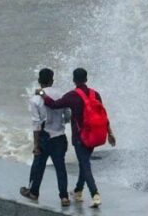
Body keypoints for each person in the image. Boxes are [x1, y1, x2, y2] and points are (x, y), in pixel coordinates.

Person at [41, 67, 116, 208]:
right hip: (94, 135)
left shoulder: (72, 96)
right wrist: (110, 133)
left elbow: (54, 105)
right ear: (86, 79)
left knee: (85, 165)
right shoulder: (96, 94)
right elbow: (103, 116)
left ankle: (95, 194)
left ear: (74, 80)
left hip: (80, 137)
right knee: (84, 162)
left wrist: (41, 93)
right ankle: (78, 191)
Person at [20, 68, 71, 206]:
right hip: (59, 136)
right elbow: (67, 115)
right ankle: (64, 197)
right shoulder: (61, 95)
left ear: (39, 81)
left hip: (44, 136)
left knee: (38, 165)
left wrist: (36, 144)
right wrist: (61, 123)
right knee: (60, 167)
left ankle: (33, 192)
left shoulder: (35, 99)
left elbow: (36, 124)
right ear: (52, 80)